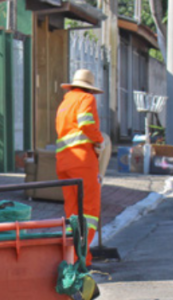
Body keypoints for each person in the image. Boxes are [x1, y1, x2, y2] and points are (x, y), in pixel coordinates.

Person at [56, 69, 105, 267]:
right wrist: (99, 140)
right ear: (89, 89)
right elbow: (86, 123)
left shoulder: (65, 102)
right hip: (83, 161)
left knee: (72, 211)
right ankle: (79, 257)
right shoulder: (86, 98)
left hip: (63, 162)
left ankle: (73, 255)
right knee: (90, 211)